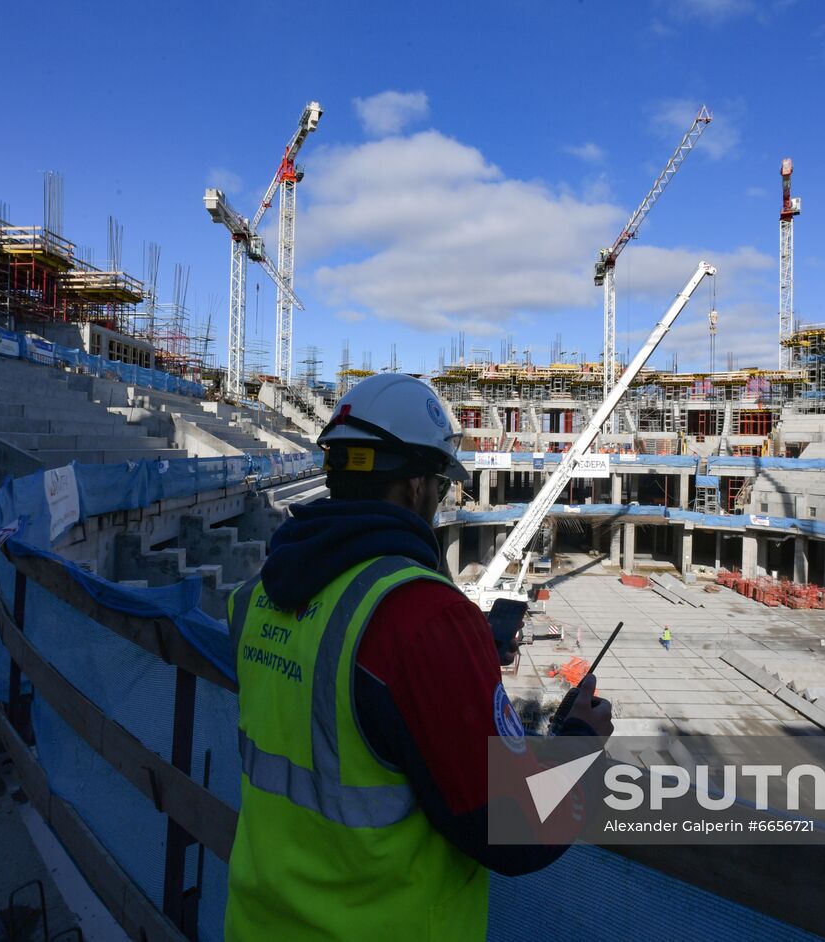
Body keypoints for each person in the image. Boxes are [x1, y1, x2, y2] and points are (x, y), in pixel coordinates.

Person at [224, 373, 613, 941]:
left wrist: (460, 648)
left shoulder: (256, 597)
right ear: (414, 489)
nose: (441, 498)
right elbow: (514, 828)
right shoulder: (423, 618)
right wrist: (577, 740)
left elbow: (336, 682)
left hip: (258, 923)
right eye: (440, 484)